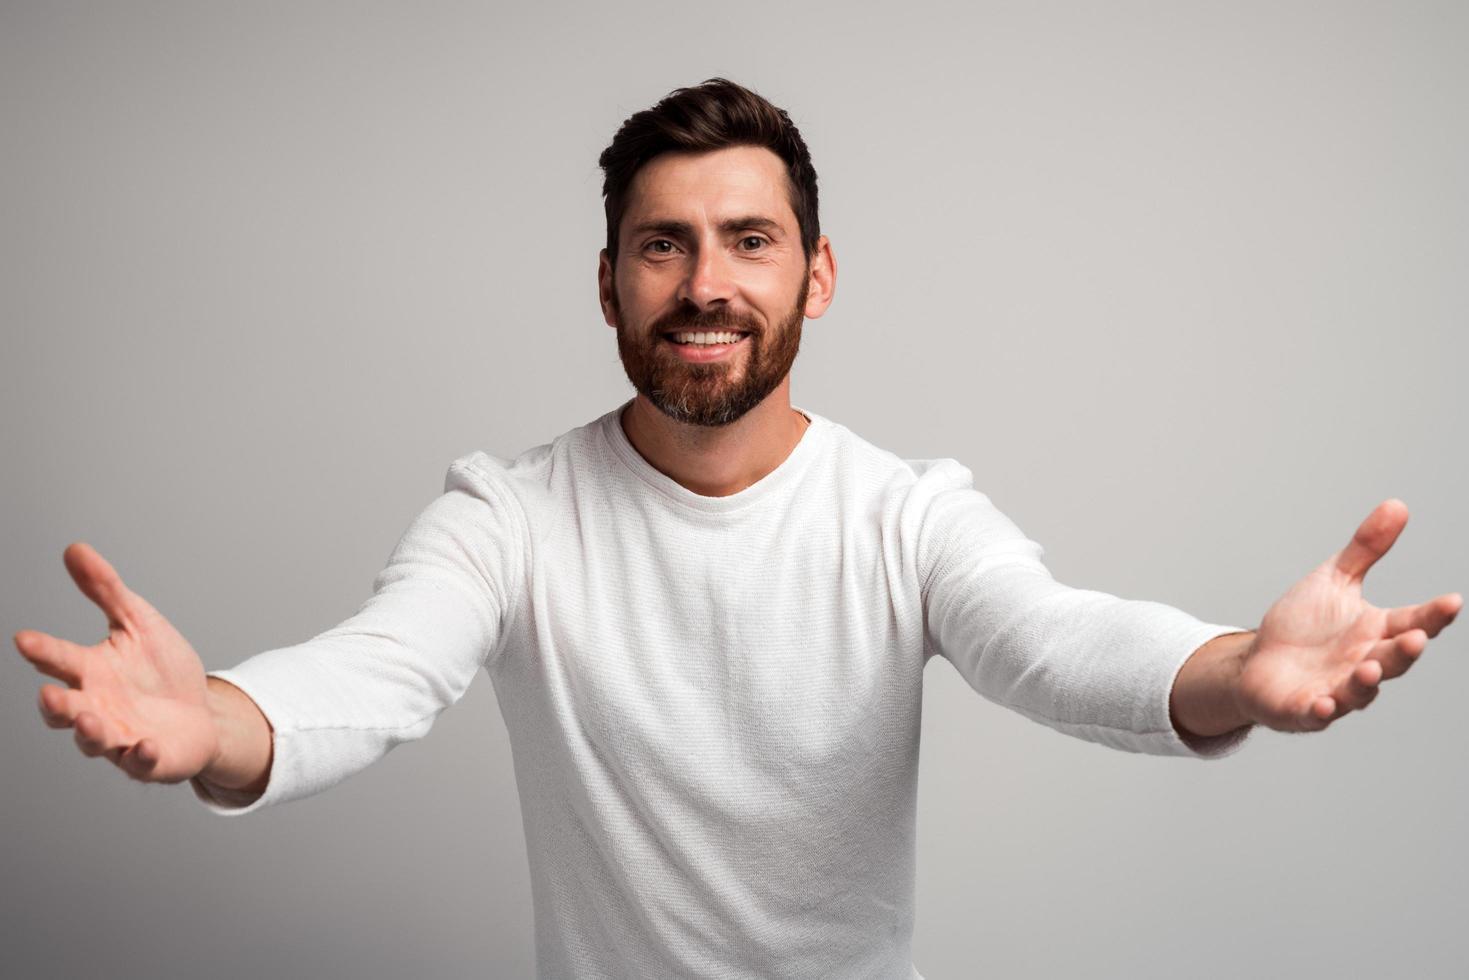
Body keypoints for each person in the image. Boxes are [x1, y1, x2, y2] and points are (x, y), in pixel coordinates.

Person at [14, 78, 1461, 980]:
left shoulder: (904, 516)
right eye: (664, 244)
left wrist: (1230, 670)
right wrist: (213, 724)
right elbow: (375, 674)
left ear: (816, 275)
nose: (706, 284)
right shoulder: (506, 518)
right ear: (608, 284)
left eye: (748, 241)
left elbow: (1050, 638)